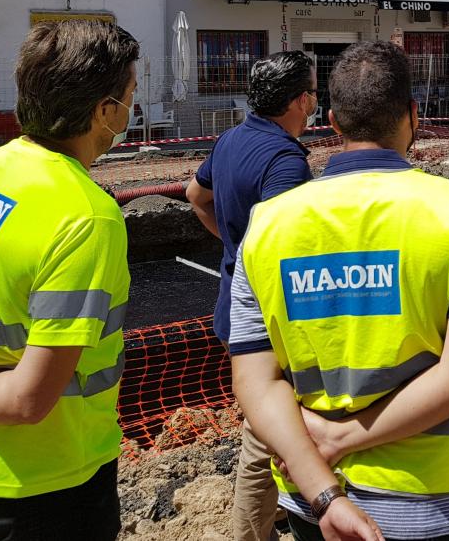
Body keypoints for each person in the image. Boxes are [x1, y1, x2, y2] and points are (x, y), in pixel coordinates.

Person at [229, 41, 449, 541]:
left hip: (318, 505)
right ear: (413, 114)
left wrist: (323, 486)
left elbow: (255, 383)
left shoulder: (268, 224)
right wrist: (343, 437)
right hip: (439, 502)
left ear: (333, 122)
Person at [0, 20, 139, 540]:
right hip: (46, 483)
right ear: (104, 111)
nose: (130, 111)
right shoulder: (87, 218)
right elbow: (28, 400)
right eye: (130, 96)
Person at [187, 50, 318, 541]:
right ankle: (251, 532)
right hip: (265, 322)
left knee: (267, 425)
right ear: (300, 101)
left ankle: (278, 510)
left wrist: (233, 245)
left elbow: (195, 197)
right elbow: (290, 255)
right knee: (266, 436)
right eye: (311, 92)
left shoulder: (231, 139)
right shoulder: (285, 161)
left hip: (232, 310)